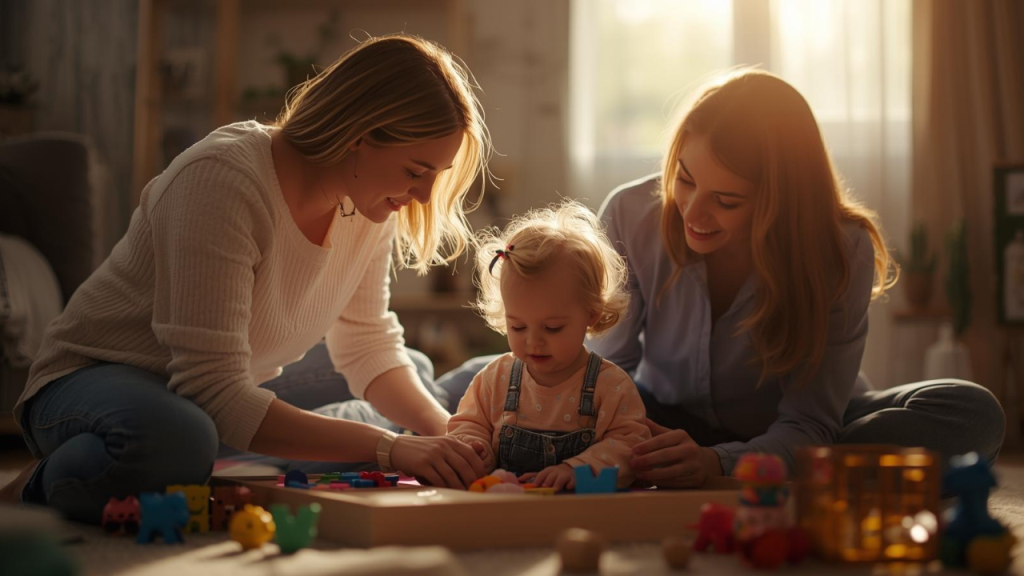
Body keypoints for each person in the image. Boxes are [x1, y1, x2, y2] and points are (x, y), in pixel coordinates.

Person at [1, 34, 494, 522]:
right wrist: (390, 448)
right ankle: (39, 487)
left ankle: (225, 462)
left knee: (414, 372)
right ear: (359, 135)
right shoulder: (222, 179)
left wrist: (444, 433)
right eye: (416, 170)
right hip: (95, 381)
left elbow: (367, 345)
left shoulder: (368, 202)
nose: (426, 196)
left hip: (228, 380)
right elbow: (212, 388)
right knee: (179, 438)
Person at [436, 69, 1005, 488]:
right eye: (684, 179)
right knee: (490, 378)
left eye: (727, 200)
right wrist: (614, 443)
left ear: (783, 202)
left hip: (792, 429)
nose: (693, 214)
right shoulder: (631, 212)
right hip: (653, 418)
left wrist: (721, 463)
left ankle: (776, 470)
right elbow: (606, 370)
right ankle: (367, 412)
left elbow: (810, 417)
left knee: (970, 412)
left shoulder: (840, 247)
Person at [447, 201, 651, 491]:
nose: (533, 341)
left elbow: (630, 445)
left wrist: (577, 469)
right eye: (517, 326)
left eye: (552, 328)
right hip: (504, 512)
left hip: (578, 517)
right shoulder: (494, 379)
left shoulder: (611, 386)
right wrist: (472, 445)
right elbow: (467, 423)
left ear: (590, 315)